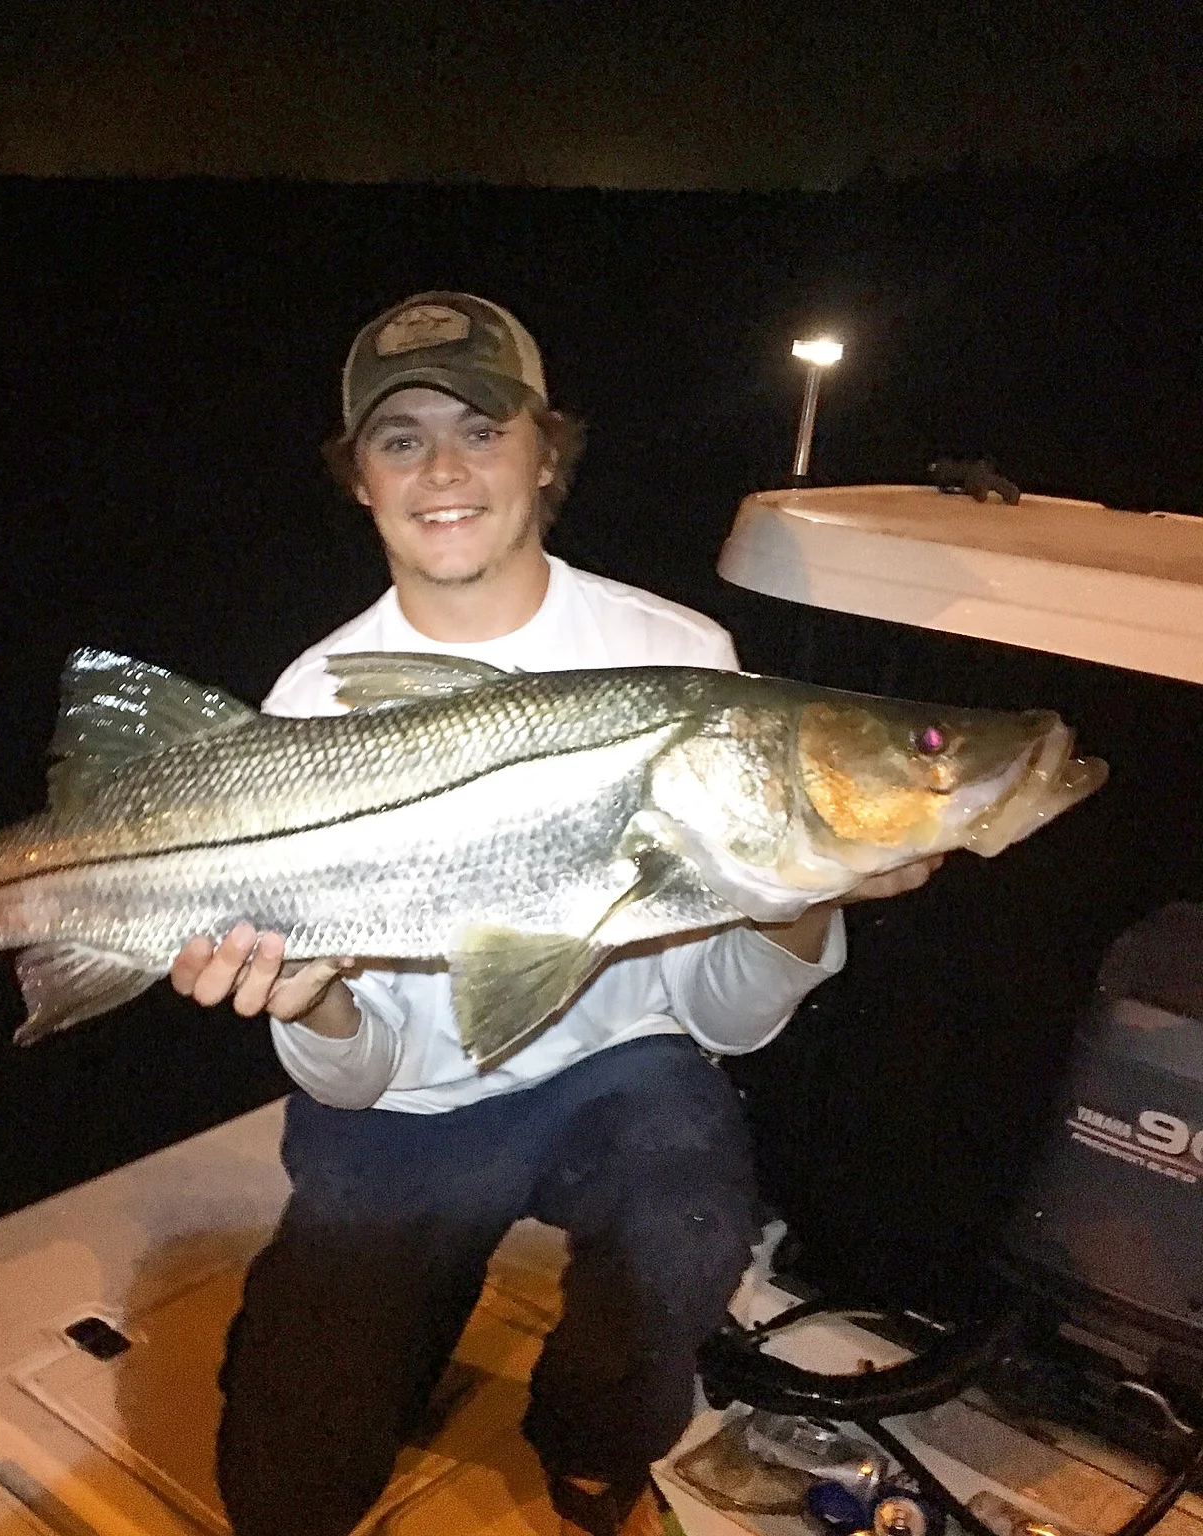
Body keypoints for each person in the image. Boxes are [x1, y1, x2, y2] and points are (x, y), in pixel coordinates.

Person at [170, 292, 940, 1536]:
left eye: (483, 426)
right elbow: (352, 1076)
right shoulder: (310, 702)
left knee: (691, 1216)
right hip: (405, 1110)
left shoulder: (677, 652)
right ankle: (396, 1335)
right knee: (284, 1491)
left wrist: (799, 904)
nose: (444, 469)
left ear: (546, 451)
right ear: (359, 480)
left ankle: (590, 1441)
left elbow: (722, 1021)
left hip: (613, 1080)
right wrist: (314, 999)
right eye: (400, 438)